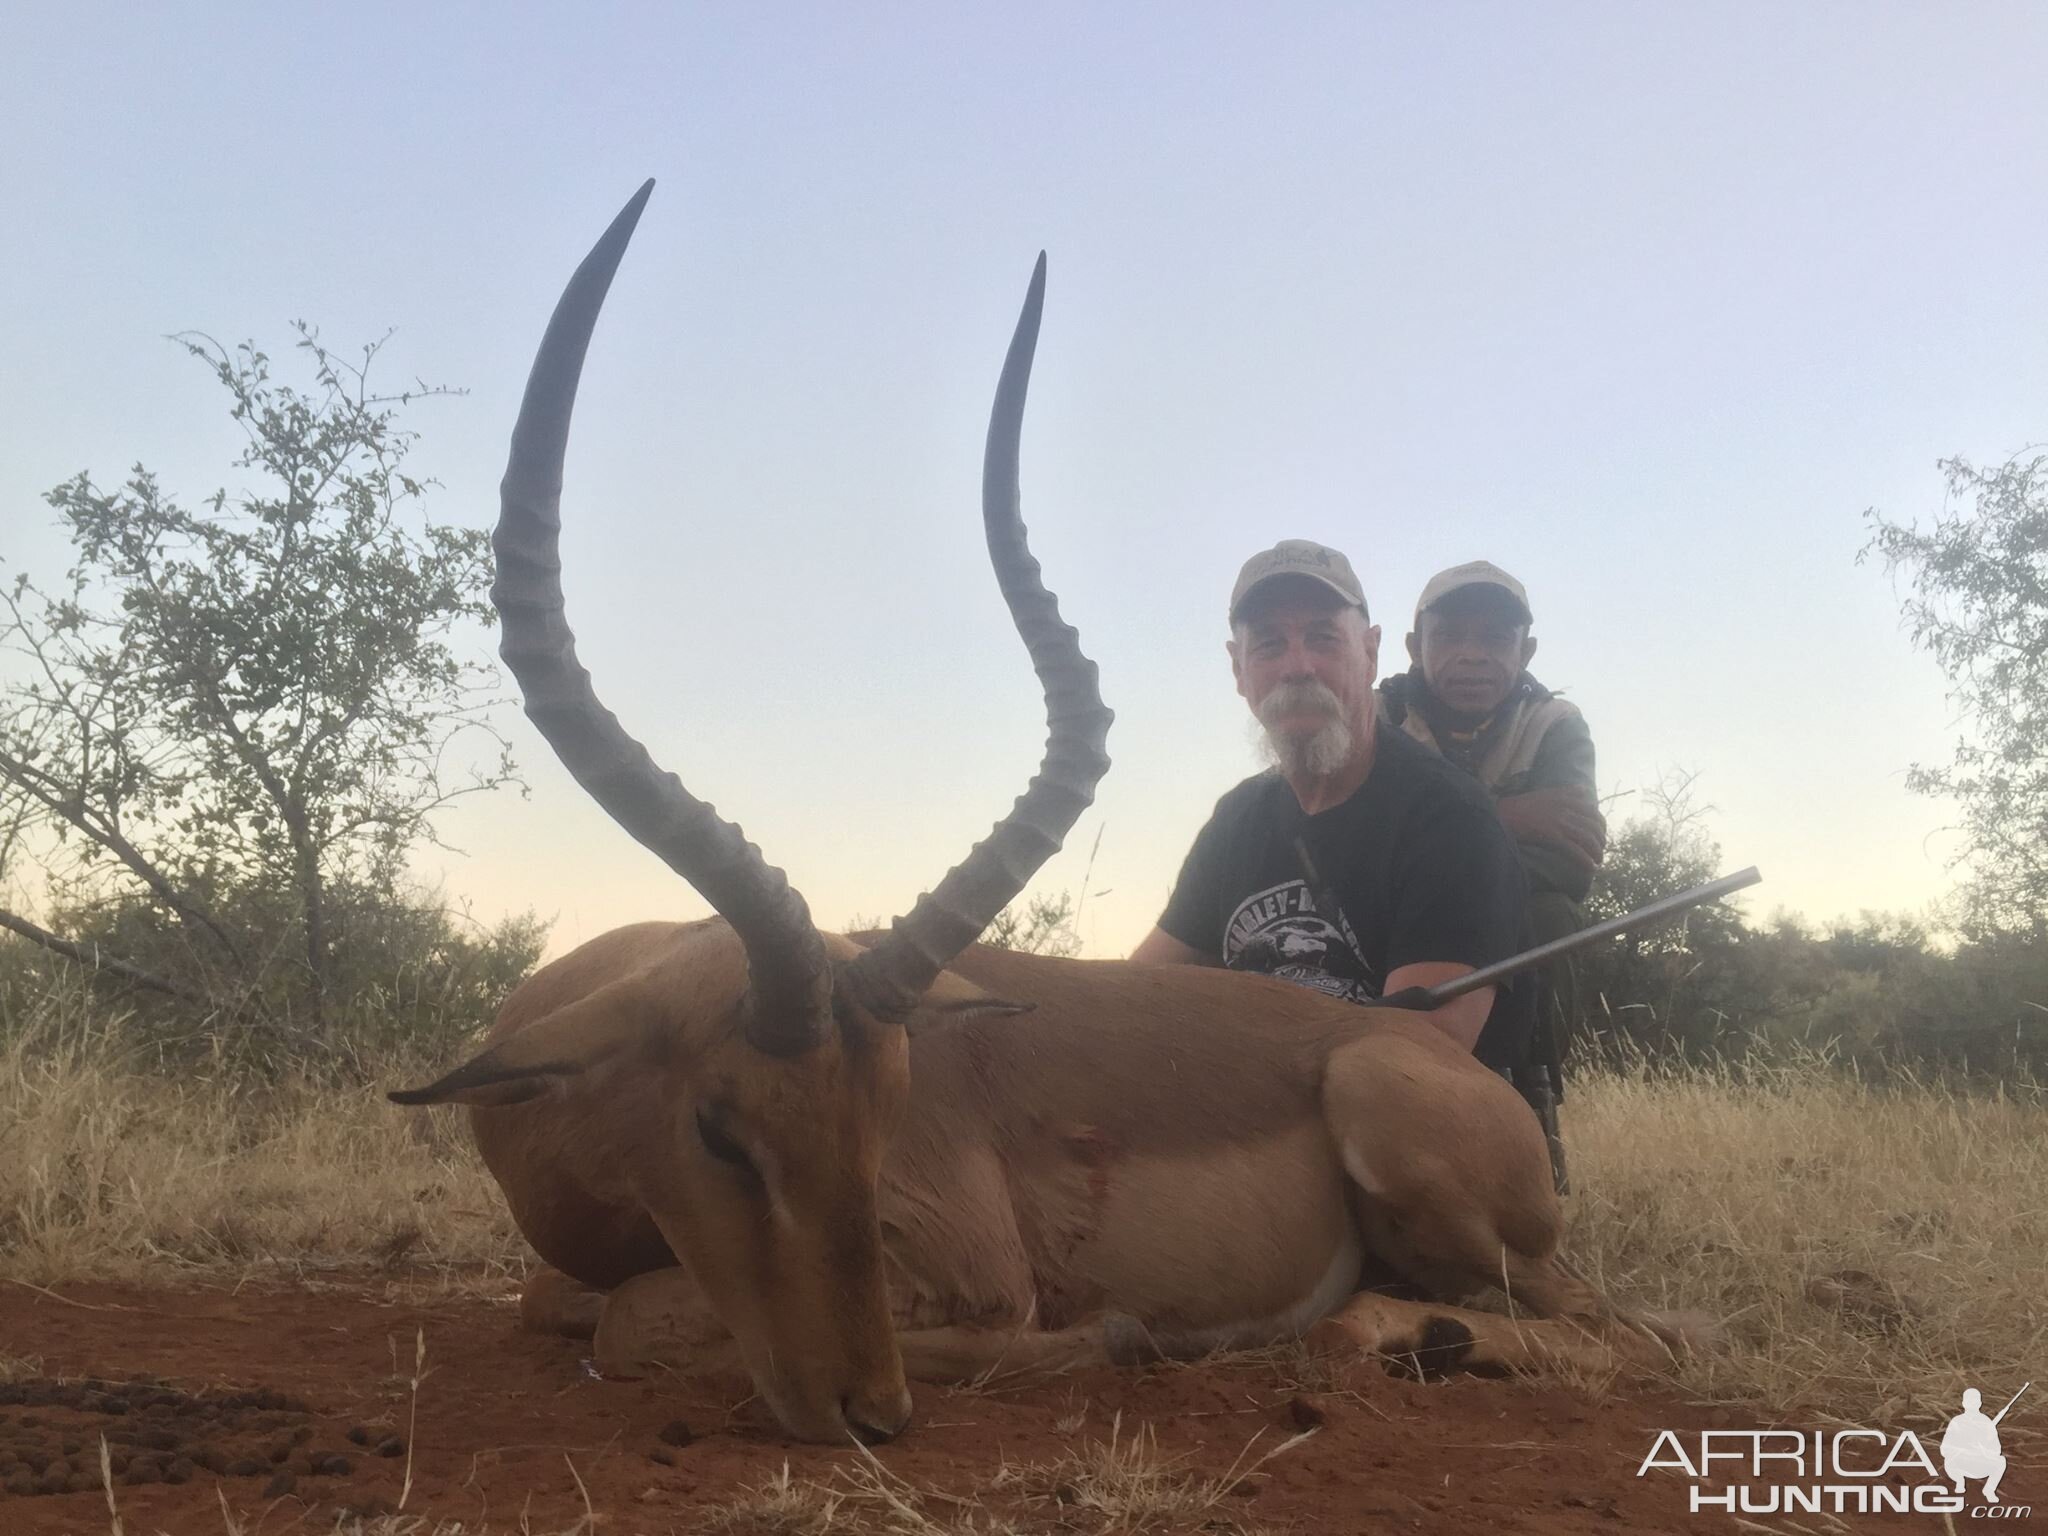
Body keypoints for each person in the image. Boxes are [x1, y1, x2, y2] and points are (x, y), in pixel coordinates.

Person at [1130, 539, 1533, 1070]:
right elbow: (1133, 995)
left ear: (1370, 651)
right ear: (1238, 669)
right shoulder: (1237, 820)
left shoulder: (1451, 818)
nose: (1299, 667)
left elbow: (1411, 1061)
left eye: (1323, 638)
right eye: (1269, 645)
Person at [1377, 560, 1604, 1189]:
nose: (1472, 656)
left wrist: (1421, 846)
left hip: (1508, 918)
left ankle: (1531, 1104)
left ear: (1526, 650)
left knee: (1549, 916)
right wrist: (1510, 815)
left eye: (1496, 639)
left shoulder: (1556, 724)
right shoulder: (1372, 716)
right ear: (1413, 647)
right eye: (1448, 636)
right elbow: (1347, 846)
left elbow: (1569, 862)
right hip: (1389, 919)